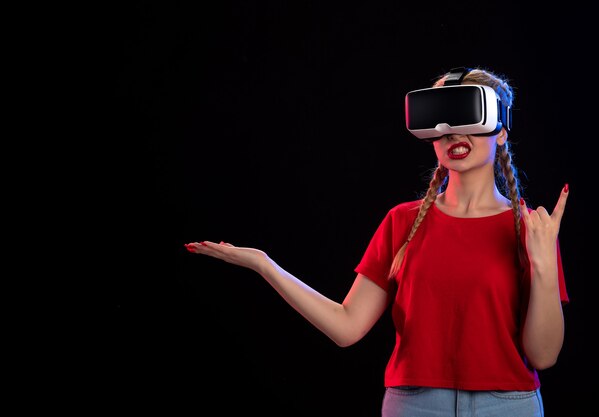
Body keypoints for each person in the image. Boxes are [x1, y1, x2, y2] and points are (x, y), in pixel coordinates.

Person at [184, 66, 569, 417]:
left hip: (507, 406)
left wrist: (544, 265)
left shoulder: (532, 228)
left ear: (501, 131)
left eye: (466, 115)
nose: (452, 131)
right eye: (440, 119)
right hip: (414, 405)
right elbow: (346, 326)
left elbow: (543, 355)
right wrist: (264, 264)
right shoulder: (402, 222)